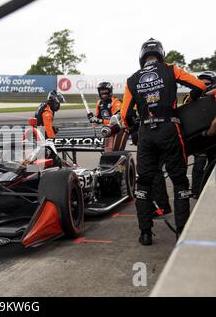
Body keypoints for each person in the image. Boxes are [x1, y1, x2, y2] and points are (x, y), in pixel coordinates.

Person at [121, 38, 207, 246]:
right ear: (161, 54)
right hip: (170, 128)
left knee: (144, 182)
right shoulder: (170, 69)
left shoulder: (132, 79)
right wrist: (193, 100)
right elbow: (199, 85)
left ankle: (145, 234)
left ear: (142, 57)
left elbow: (125, 115)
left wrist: (135, 126)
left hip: (146, 133)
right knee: (179, 181)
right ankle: (181, 233)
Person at [183, 71, 216, 197]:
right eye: (201, 83)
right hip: (200, 136)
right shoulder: (190, 96)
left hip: (213, 136)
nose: (204, 85)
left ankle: (211, 191)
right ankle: (197, 191)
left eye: (207, 83)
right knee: (199, 163)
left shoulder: (214, 95)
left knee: (213, 163)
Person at [87, 82, 127, 152]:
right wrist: (92, 118)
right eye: (102, 93)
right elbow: (97, 120)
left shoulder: (116, 102)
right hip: (107, 130)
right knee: (107, 150)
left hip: (119, 130)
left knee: (114, 151)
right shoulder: (99, 103)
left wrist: (100, 121)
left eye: (105, 93)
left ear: (110, 92)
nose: (103, 95)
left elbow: (117, 120)